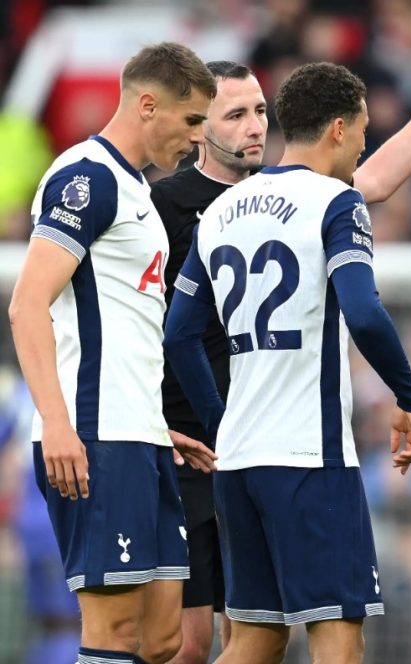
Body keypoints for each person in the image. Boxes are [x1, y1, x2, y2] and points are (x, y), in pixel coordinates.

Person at [151, 35, 411, 664]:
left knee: (253, 642)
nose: (362, 144)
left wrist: (225, 422)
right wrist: (410, 397)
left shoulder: (223, 212)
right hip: (310, 456)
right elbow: (365, 312)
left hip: (237, 460)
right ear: (337, 128)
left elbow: (178, 333)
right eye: (361, 130)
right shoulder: (336, 202)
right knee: (338, 641)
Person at [8, 43, 218, 664]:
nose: (197, 139)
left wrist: (157, 428)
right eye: (192, 121)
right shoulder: (86, 178)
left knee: (162, 639)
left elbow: (127, 324)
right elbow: (27, 305)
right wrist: (57, 424)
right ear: (148, 105)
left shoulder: (135, 191)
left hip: (141, 434)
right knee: (114, 631)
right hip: (94, 433)